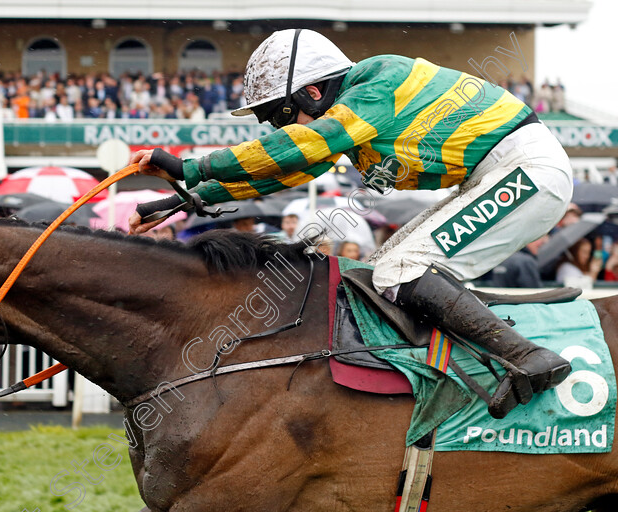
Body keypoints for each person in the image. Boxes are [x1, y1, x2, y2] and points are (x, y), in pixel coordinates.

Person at [127, 28, 574, 418]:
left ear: (313, 93)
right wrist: (183, 199)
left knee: (402, 271)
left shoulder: (377, 84)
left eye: (279, 116)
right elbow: (292, 170)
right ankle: (443, 372)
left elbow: (301, 147)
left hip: (528, 171)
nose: (277, 129)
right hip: (501, 173)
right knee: (380, 270)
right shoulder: (358, 104)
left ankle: (525, 357)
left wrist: (190, 167)